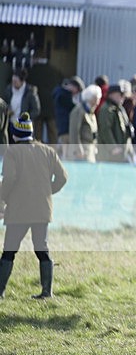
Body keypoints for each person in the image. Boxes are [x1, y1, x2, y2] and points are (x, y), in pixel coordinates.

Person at [0, 113, 68, 299]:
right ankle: (47, 292)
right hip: (42, 209)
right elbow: (63, 178)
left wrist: (1, 200)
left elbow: (9, 180)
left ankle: (0, 291)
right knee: (42, 249)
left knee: (9, 250)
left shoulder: (12, 153)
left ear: (15, 135)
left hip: (18, 210)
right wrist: (47, 192)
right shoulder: (48, 151)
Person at [96, 84, 133, 163]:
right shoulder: (106, 109)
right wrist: (113, 147)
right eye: (120, 94)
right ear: (112, 95)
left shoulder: (120, 108)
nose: (123, 97)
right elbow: (105, 129)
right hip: (110, 153)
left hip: (121, 151)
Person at [2, 68, 41, 143]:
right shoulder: (9, 89)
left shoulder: (30, 91)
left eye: (16, 82)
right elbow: (4, 103)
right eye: (13, 81)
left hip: (24, 126)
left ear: (22, 81)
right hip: (10, 123)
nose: (14, 84)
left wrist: (25, 117)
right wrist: (8, 111)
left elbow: (36, 110)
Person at [68, 84, 101, 162]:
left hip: (90, 150)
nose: (98, 101)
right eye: (97, 98)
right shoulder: (78, 110)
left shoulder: (91, 112)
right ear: (91, 98)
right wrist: (78, 149)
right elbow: (74, 132)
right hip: (82, 151)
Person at [53, 75, 84, 155]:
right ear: (73, 86)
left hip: (62, 128)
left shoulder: (59, 93)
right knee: (67, 154)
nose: (76, 93)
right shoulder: (64, 96)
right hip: (66, 129)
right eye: (77, 90)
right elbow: (74, 107)